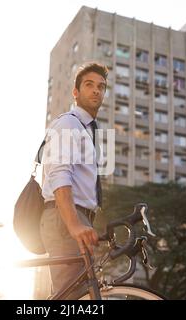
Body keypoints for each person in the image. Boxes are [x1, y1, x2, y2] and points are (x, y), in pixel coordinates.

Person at [40, 62, 108, 299]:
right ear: (76, 92)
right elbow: (58, 173)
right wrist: (73, 224)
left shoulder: (88, 130)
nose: (96, 90)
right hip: (65, 216)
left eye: (101, 86)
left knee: (72, 296)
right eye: (89, 85)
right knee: (72, 300)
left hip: (78, 217)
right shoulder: (69, 123)